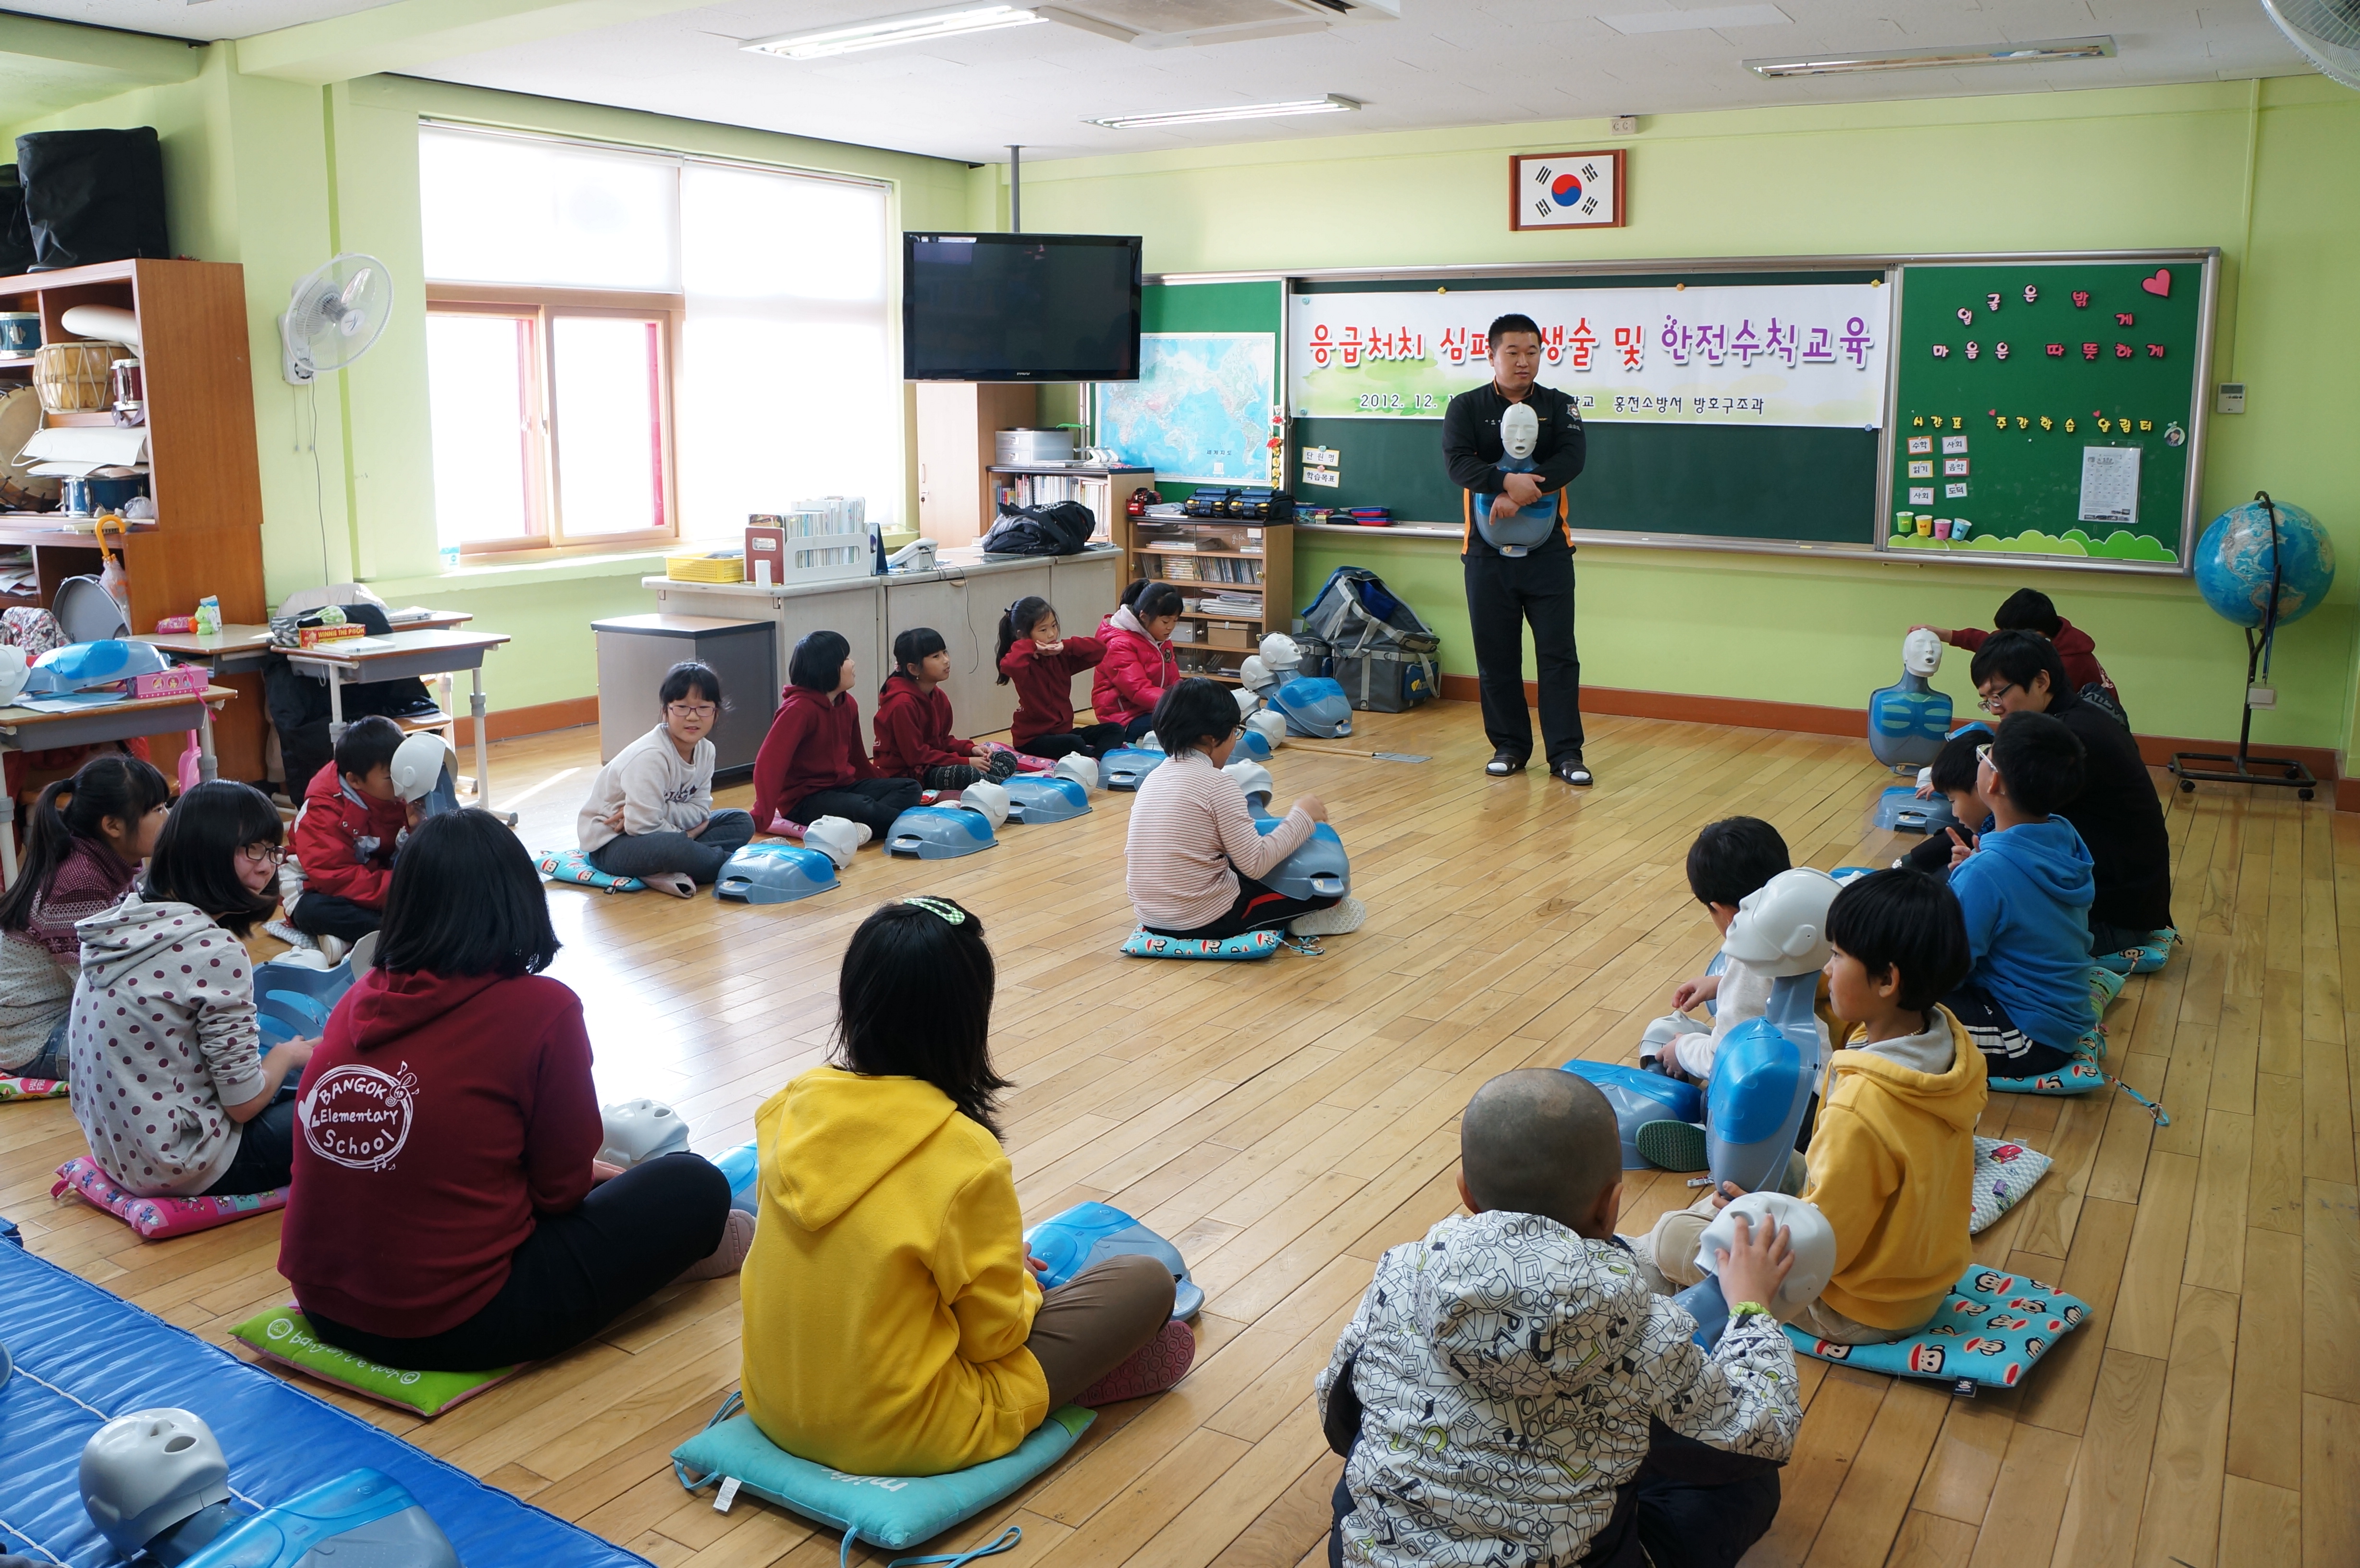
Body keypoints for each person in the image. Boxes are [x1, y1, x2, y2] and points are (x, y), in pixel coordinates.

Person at [739, 897, 1193, 1477]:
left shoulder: (789, 1108)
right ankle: (1072, 1385)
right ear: (967, 1016)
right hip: (906, 1435)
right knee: (1146, 1281)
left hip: (774, 1404)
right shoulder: (964, 1154)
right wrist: (1017, 1277)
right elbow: (994, 1338)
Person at [283, 809, 747, 1371]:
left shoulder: (359, 999)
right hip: (451, 1322)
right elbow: (559, 1193)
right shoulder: (542, 1008)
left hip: (325, 1305)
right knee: (694, 1183)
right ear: (518, 900)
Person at [1319, 1069, 1800, 1568]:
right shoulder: (1645, 1329)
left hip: (1368, 1557)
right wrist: (1752, 1308)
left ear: (1466, 1192)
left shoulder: (1398, 1276)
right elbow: (1762, 1433)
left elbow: (1339, 1418)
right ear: (1611, 1205)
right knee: (1748, 1480)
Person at [1629, 869, 1984, 1345]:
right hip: (1920, 1278)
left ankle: (1639, 1276)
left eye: (1836, 956)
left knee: (1673, 1233)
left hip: (1858, 1307)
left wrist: (1754, 1217)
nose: (1827, 971)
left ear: (1886, 980)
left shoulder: (1861, 1110)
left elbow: (1824, 1249)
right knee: (1769, 1176)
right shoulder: (1945, 1042)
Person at [67, 782, 314, 1199]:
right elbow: (243, 1104)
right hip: (186, 1163)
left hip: (119, 1153)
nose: (268, 867)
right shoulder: (214, 950)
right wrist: (286, 1055)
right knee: (351, 1101)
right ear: (204, 848)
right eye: (253, 849)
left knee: (299, 1080)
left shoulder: (127, 919)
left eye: (273, 850)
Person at [1442, 312, 1591, 788]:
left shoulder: (1560, 406)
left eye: (1532, 352)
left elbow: (1572, 459)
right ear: (1492, 356)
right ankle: (1509, 747)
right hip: (1485, 555)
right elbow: (1458, 463)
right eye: (1513, 352)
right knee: (1496, 657)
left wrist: (1525, 492)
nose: (1524, 361)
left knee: (1558, 655)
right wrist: (1504, 483)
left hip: (1549, 552)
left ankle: (1566, 754)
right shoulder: (1466, 407)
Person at [1969, 630, 2174, 961]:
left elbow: (2001, 821)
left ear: (2041, 681)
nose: (1995, 710)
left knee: (1970, 927)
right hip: (2125, 904)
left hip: (2111, 922)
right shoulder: (2076, 718)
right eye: (1986, 700)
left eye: (1998, 695)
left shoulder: (2064, 740)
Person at [1124, 677, 1364, 940]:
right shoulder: (1217, 784)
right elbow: (1256, 863)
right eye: (1234, 732)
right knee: (1321, 892)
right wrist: (1302, 816)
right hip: (1202, 919)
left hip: (1151, 916)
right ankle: (1306, 918)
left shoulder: (1154, 778)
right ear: (1211, 738)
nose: (1235, 741)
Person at [1938, 712, 2098, 1077]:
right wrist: (1978, 869)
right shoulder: (2064, 836)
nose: (1981, 758)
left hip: (2026, 1034)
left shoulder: (1986, 873)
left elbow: (1948, 969)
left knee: (1891, 1008)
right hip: (2057, 1015)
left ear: (1994, 780)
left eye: (1986, 753)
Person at [0, 755, 169, 1083]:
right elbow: (103, 988)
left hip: (64, 1016)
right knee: (168, 1047)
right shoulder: (80, 884)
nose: (169, 818)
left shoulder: (105, 863)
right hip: (33, 1041)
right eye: (158, 809)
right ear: (113, 826)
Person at [577, 661, 756, 897]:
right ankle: (741, 864)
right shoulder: (651, 756)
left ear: (716, 713)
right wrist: (687, 836)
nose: (693, 717)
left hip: (661, 833)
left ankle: (686, 862)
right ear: (666, 711)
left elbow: (701, 811)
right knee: (674, 848)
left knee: (740, 821)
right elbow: (642, 827)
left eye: (703, 708)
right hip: (613, 844)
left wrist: (661, 811)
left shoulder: (707, 751)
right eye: (682, 707)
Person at [750, 631, 921, 840]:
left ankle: (864, 827)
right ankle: (910, 826)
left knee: (910, 787)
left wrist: (881, 786)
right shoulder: (799, 710)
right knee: (862, 807)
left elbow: (858, 760)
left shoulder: (849, 704)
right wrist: (763, 813)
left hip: (844, 788)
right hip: (805, 800)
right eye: (846, 659)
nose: (853, 663)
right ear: (827, 667)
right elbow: (769, 764)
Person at [287, 715, 417, 956]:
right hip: (317, 887)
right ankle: (400, 933)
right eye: (391, 777)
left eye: (403, 770)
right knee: (313, 911)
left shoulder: (393, 790)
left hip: (376, 877)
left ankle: (361, 938)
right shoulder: (322, 810)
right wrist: (405, 888)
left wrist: (415, 828)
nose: (401, 781)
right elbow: (337, 879)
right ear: (354, 780)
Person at [1918, 588, 2117, 708]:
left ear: (2035, 634)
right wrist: (1945, 635)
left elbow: (2046, 709)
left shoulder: (2069, 662)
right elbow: (1992, 642)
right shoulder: (2049, 638)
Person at [873, 627, 1019, 790]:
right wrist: (965, 762)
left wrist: (970, 749)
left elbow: (942, 741)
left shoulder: (938, 696)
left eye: (945, 653)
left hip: (932, 762)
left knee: (1006, 757)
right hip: (906, 774)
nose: (946, 660)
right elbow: (916, 756)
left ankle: (990, 781)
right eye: (936, 657)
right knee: (966, 774)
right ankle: (993, 782)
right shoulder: (902, 704)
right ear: (914, 669)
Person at [996, 596, 1123, 760]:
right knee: (1073, 743)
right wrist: (1032, 646)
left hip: (1063, 732)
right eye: (1043, 630)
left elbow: (1100, 650)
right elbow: (1009, 665)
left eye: (1054, 626)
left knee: (1114, 729)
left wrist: (1067, 646)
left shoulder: (1059, 655)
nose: (1052, 634)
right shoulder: (1024, 662)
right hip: (1033, 739)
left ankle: (1098, 761)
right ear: (1023, 635)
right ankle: (1093, 760)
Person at [1092, 580, 1182, 742]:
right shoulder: (1119, 643)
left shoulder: (1160, 639)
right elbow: (1138, 690)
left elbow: (1174, 680)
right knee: (1184, 723)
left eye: (1175, 621)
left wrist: (1187, 696)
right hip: (1123, 719)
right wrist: (1176, 704)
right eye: (1165, 621)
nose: (1170, 627)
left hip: (1154, 708)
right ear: (1144, 617)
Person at [1898, 729, 1993, 877]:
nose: (1954, 813)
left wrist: (1970, 874)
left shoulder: (1996, 849)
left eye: (1952, 800)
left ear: (1983, 787)